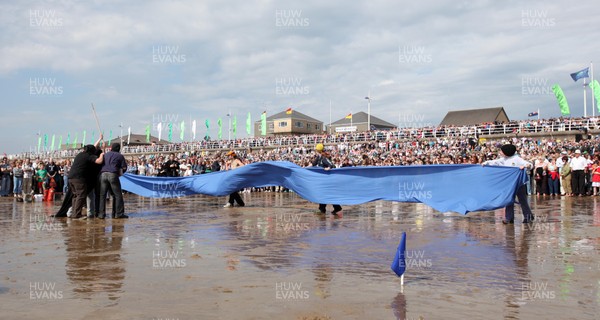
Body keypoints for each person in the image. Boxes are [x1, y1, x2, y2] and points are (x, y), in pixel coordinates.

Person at [482, 144, 534, 224]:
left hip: (519, 183)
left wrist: (526, 165)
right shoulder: (504, 159)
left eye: (502, 151)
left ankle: (528, 216)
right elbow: (495, 162)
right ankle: (509, 217)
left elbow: (528, 164)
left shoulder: (517, 159)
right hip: (509, 184)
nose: (500, 152)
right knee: (509, 201)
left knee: (523, 200)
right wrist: (486, 163)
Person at [67, 137, 104, 219]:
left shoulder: (80, 154)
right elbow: (99, 161)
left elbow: (93, 147)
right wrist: (102, 154)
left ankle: (73, 213)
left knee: (76, 196)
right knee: (81, 196)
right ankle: (76, 214)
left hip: (70, 178)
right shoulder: (88, 156)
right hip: (78, 179)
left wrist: (99, 138)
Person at [99, 142, 128, 219]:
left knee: (103, 195)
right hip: (113, 175)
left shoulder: (105, 155)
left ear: (111, 148)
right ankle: (118, 213)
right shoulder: (120, 156)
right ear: (119, 149)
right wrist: (120, 174)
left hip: (103, 174)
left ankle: (101, 214)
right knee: (118, 195)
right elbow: (124, 168)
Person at [312, 143, 342, 216]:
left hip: (327, 180)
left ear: (318, 151)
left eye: (316, 150)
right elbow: (313, 164)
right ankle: (334, 208)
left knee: (324, 195)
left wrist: (328, 168)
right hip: (322, 180)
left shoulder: (324, 158)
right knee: (324, 195)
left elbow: (332, 165)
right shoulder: (319, 158)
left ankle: (324, 209)